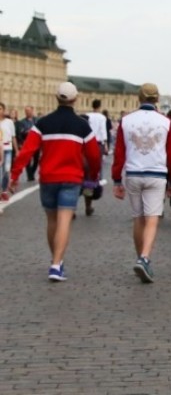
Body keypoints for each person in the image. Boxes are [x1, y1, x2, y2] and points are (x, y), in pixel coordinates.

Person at [4, 83, 103, 281]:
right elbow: (94, 155)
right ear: (75, 99)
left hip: (48, 177)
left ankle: (55, 260)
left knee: (51, 220)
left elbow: (27, 152)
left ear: (56, 98)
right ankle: (57, 264)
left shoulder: (42, 124)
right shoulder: (82, 125)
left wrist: (14, 176)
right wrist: (93, 175)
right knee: (65, 220)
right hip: (72, 178)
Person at [112, 83, 171, 283]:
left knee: (138, 218)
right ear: (157, 99)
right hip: (156, 173)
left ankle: (140, 257)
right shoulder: (166, 122)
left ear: (139, 98)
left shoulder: (126, 120)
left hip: (133, 172)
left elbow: (119, 153)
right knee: (152, 218)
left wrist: (117, 179)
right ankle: (145, 258)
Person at [16, 106, 39, 181]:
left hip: (36, 143)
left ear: (32, 111)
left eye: (29, 111)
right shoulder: (22, 122)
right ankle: (29, 175)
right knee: (27, 160)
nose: (27, 112)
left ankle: (32, 172)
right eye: (26, 111)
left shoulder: (37, 120)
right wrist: (27, 131)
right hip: (27, 143)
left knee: (36, 160)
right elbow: (21, 132)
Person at [0, 102, 14, 193]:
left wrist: (17, 150)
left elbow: (13, 136)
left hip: (8, 148)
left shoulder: (9, 122)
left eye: (0, 109)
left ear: (4, 110)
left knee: (6, 170)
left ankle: (4, 190)